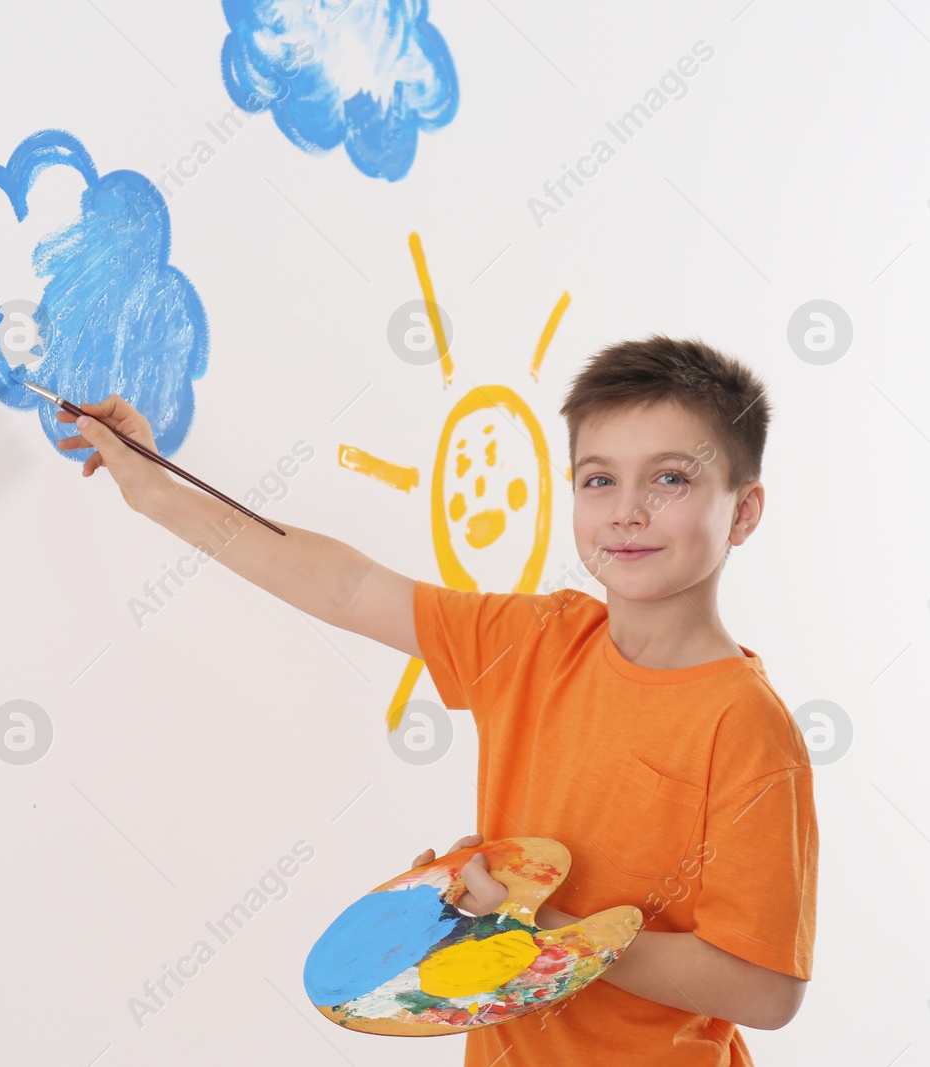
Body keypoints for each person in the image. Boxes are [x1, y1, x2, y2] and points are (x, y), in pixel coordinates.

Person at [57, 335, 817, 1065]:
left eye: (671, 478)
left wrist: (538, 927)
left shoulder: (745, 724)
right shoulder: (541, 639)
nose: (628, 509)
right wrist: (152, 485)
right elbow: (349, 587)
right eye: (598, 479)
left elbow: (765, 984)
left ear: (743, 512)